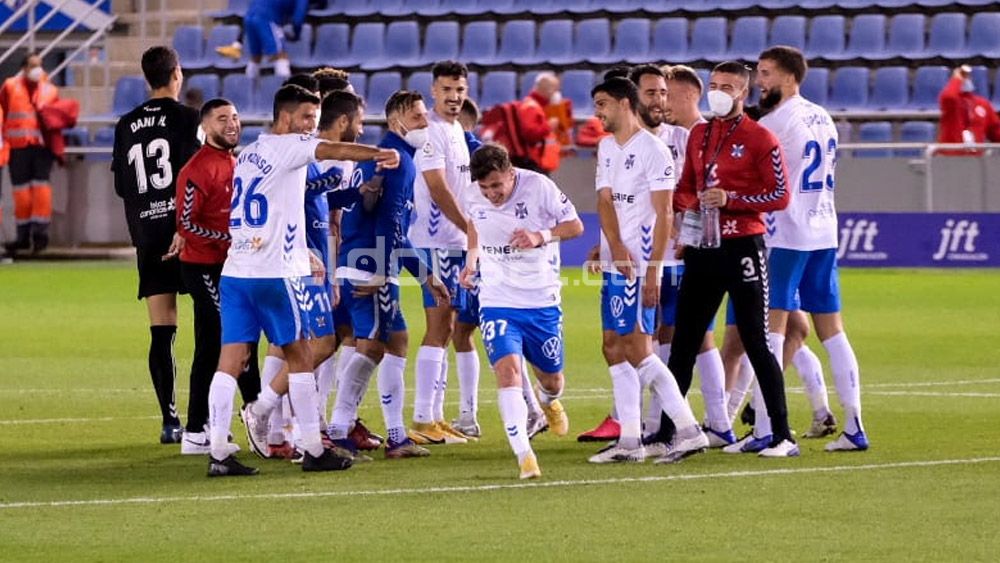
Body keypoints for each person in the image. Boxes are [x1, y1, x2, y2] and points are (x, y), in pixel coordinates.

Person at [205, 84, 399, 477]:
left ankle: (219, 453)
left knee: (231, 360)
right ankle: (312, 447)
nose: (313, 126)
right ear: (286, 117)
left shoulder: (249, 153)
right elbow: (333, 151)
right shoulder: (291, 145)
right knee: (301, 356)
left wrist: (304, 250)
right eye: (308, 117)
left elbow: (274, 206)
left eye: (315, 118)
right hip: (275, 275)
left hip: (237, 271)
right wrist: (378, 154)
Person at [667, 61, 798, 458]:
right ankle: (672, 430)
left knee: (756, 341)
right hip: (703, 249)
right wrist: (688, 222)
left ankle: (782, 435)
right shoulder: (700, 135)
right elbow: (685, 187)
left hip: (743, 247)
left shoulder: (761, 139)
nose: (718, 91)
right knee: (684, 341)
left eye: (727, 86)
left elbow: (779, 196)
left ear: (743, 92)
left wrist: (731, 200)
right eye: (713, 84)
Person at [751, 46, 868, 451]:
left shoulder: (777, 120)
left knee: (773, 328)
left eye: (765, 74)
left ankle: (767, 428)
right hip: (824, 229)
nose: (759, 82)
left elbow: (766, 174)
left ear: (787, 77)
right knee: (832, 331)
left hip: (788, 232)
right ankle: (855, 426)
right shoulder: (822, 116)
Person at [589, 76, 709, 464]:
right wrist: (612, 247)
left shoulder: (654, 151)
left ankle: (689, 431)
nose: (597, 112)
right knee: (613, 346)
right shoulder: (606, 146)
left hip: (639, 265)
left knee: (639, 349)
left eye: (603, 104)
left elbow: (664, 214)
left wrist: (653, 271)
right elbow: (605, 200)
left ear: (625, 103)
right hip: (616, 262)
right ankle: (629, 440)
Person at [328, 89, 449, 460]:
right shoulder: (398, 161)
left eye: (424, 116)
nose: (425, 123)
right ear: (397, 122)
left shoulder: (387, 158)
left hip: (361, 260)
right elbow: (392, 227)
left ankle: (396, 436)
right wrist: (399, 272)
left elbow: (364, 209)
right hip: (372, 264)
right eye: (417, 117)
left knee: (396, 341)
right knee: (372, 346)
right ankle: (337, 430)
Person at [629, 64, 735, 451]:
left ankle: (682, 424)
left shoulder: (693, 137)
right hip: (664, 249)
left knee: (687, 335)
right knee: (679, 335)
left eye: (665, 94)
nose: (661, 102)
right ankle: (700, 423)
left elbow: (696, 193)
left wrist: (687, 235)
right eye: (654, 94)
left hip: (687, 250)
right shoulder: (647, 139)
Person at [460, 143, 583, 478]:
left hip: (541, 299)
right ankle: (524, 456)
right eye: (484, 188)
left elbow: (575, 227)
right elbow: (475, 224)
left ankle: (547, 399)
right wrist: (472, 262)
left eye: (496, 186)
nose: (491, 194)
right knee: (507, 372)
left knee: (552, 378)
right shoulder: (472, 195)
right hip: (497, 299)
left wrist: (540, 235)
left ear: (511, 173)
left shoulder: (539, 187)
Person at [111, 46, 200, 444]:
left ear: (147, 78)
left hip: (147, 233)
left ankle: (170, 419)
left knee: (162, 329)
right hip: (188, 233)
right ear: (176, 74)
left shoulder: (125, 124)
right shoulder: (187, 118)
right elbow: (195, 176)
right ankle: (208, 417)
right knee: (213, 322)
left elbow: (120, 185)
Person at [407, 60, 479, 444]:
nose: (454, 97)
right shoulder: (431, 132)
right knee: (438, 326)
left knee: (449, 326)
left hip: (452, 243)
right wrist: (470, 225)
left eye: (460, 90)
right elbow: (436, 186)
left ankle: (434, 415)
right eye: (447, 90)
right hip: (434, 242)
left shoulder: (456, 130)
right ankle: (422, 417)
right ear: (433, 92)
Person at [173, 98, 244, 455]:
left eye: (234, 117)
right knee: (228, 337)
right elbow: (186, 223)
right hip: (201, 266)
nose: (231, 124)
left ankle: (197, 431)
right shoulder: (198, 168)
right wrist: (229, 240)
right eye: (222, 119)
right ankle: (255, 410)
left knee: (211, 346)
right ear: (206, 127)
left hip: (230, 266)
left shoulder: (237, 161)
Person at [0, 53, 58, 255]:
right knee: (21, 193)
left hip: (42, 147)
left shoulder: (49, 88)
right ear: (24, 67)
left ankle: (40, 236)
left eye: (40, 65)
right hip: (18, 147)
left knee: (42, 190)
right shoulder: (10, 86)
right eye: (34, 65)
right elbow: (3, 112)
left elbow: (56, 116)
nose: (38, 70)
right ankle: (22, 237)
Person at [937, 64, 1000, 157]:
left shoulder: (983, 104)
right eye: (963, 77)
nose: (966, 79)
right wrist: (957, 79)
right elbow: (948, 97)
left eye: (968, 77)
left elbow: (995, 130)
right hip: (949, 157)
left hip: (976, 159)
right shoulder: (952, 103)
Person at [242, 0, 307, 79]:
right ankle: (285, 86)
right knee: (280, 54)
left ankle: (249, 84)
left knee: (256, 57)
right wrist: (296, 35)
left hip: (249, 16)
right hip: (266, 17)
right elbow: (297, 20)